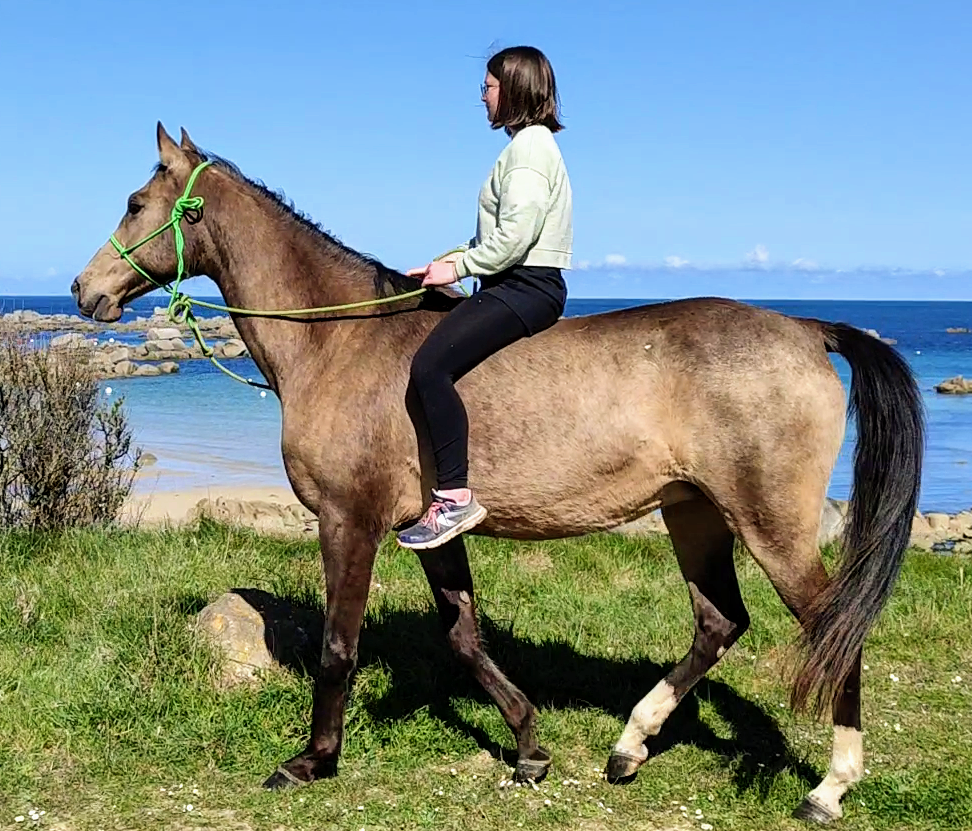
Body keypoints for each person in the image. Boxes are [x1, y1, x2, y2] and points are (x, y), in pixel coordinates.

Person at [396, 45, 573, 550]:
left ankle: (453, 497)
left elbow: (517, 237)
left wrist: (461, 266)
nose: (483, 97)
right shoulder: (525, 146)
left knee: (429, 367)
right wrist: (444, 262)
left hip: (526, 285)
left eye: (489, 86)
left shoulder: (530, 150)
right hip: (513, 280)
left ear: (514, 89)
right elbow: (493, 239)